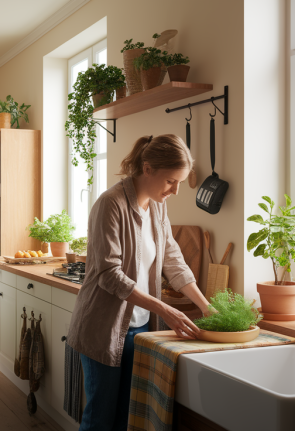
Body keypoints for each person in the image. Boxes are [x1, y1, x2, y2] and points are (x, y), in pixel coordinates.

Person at [66, 134, 213, 430]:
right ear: (147, 169)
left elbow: (172, 258)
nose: (175, 190)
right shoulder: (111, 204)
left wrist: (206, 307)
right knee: (100, 420)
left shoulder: (158, 207)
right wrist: (165, 309)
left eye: (180, 183)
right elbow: (110, 275)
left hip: (142, 328)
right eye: (171, 181)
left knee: (127, 418)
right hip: (103, 328)